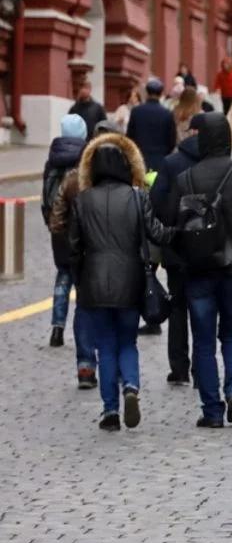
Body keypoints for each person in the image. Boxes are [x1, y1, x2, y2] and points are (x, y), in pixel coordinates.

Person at [163, 113, 232, 427]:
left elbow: (171, 221)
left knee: (204, 341)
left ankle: (212, 410)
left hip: (199, 269)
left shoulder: (185, 179)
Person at [69, 133, 175, 430]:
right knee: (128, 341)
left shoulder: (83, 200)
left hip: (94, 281)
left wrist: (81, 279)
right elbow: (156, 233)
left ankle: (110, 411)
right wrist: (181, 230)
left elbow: (74, 247)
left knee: (105, 345)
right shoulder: (137, 197)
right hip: (130, 279)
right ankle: (130, 386)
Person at [149, 113, 205, 386]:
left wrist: (170, 228)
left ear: (190, 132)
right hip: (208, 249)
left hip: (176, 246)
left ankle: (179, 368)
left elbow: (155, 200)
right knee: (204, 307)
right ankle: (202, 366)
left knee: (178, 307)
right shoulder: (215, 163)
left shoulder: (171, 163)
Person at [42, 114, 88, 348]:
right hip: (80, 229)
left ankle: (57, 328)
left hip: (58, 228)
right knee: (81, 279)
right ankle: (83, 327)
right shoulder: (86, 159)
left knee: (62, 275)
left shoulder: (52, 159)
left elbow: (44, 196)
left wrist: (50, 222)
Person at [126, 79, 177, 172]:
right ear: (161, 94)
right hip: (160, 159)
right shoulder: (167, 113)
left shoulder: (136, 111)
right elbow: (172, 140)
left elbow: (130, 135)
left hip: (139, 157)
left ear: (146, 93)